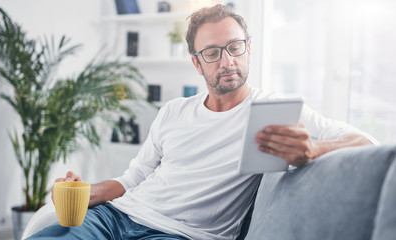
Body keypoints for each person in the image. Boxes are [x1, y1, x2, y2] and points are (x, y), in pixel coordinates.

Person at [28, 4, 375, 240]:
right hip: (116, 216)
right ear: (197, 63)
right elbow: (133, 178)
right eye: (212, 52)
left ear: (248, 50)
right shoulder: (174, 111)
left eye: (235, 47)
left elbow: (366, 143)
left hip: (179, 235)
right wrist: (87, 192)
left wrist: (314, 148)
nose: (227, 61)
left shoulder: (274, 110)